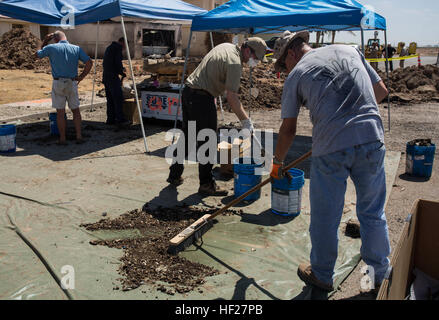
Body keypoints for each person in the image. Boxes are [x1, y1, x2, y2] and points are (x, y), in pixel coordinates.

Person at [271, 31, 391, 293]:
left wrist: (277, 163)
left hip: (331, 148)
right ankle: (379, 277)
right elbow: (380, 91)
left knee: (326, 216)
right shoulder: (350, 49)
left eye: (284, 64)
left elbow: (288, 130)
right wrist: (352, 116)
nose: (285, 69)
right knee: (372, 212)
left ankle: (323, 275)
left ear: (291, 53)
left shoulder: (297, 73)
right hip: (371, 137)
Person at [167, 37, 268, 196]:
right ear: (248, 50)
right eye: (255, 58)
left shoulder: (226, 46)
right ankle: (206, 184)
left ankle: (174, 174)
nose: (254, 62)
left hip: (188, 93)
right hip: (202, 98)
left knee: (188, 135)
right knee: (208, 141)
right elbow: (232, 97)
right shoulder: (235, 62)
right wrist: (246, 122)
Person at [35, 31, 93, 145]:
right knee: (76, 111)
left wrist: (44, 41)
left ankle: (62, 139)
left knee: (60, 113)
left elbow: (37, 54)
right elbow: (89, 62)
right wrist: (81, 76)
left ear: (55, 39)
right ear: (65, 38)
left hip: (58, 82)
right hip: (72, 82)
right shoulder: (76, 48)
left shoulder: (51, 47)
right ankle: (79, 136)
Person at [102, 37, 130, 126]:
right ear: (123, 43)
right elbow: (117, 62)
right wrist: (121, 72)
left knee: (110, 99)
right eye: (126, 46)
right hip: (113, 77)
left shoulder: (109, 47)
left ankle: (110, 119)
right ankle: (120, 119)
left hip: (106, 76)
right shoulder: (117, 48)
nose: (125, 49)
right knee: (118, 99)